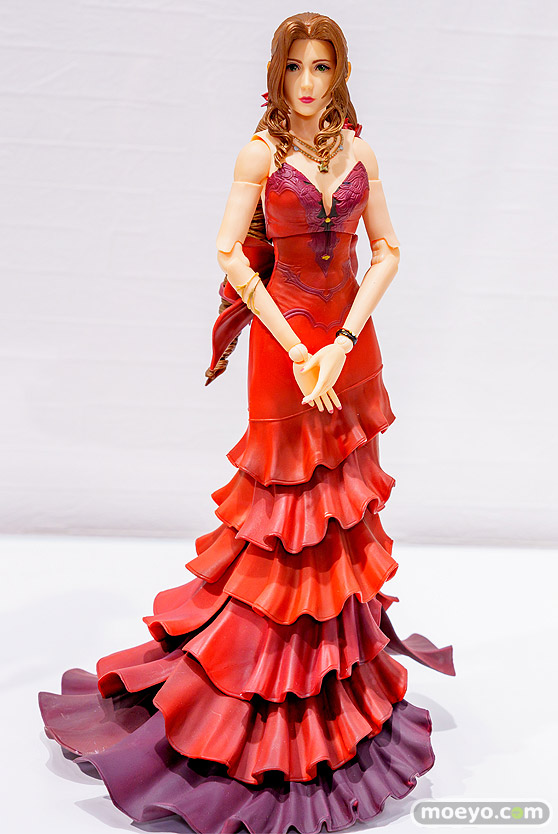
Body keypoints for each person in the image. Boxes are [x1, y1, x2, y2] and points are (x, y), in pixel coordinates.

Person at [38, 12, 455, 833]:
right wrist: (298, 348)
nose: (308, 83)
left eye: (321, 67)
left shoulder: (362, 154)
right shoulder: (259, 154)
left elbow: (389, 251)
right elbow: (230, 251)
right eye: (295, 67)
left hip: (347, 350)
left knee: (340, 513)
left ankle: (330, 693)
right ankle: (252, 697)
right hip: (285, 347)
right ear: (277, 73)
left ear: (340, 73)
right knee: (281, 514)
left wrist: (340, 343)